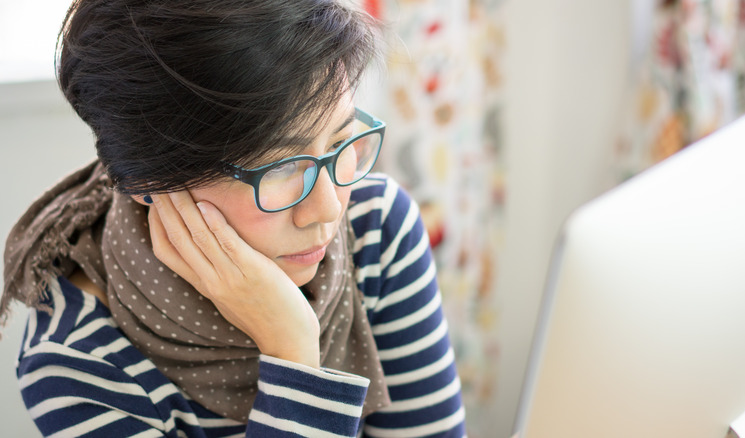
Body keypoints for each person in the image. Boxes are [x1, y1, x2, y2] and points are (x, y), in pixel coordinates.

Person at [1, 0, 465, 436]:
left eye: (340, 141)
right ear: (149, 184)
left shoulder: (377, 229)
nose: (329, 208)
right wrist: (295, 357)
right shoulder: (78, 360)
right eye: (281, 166)